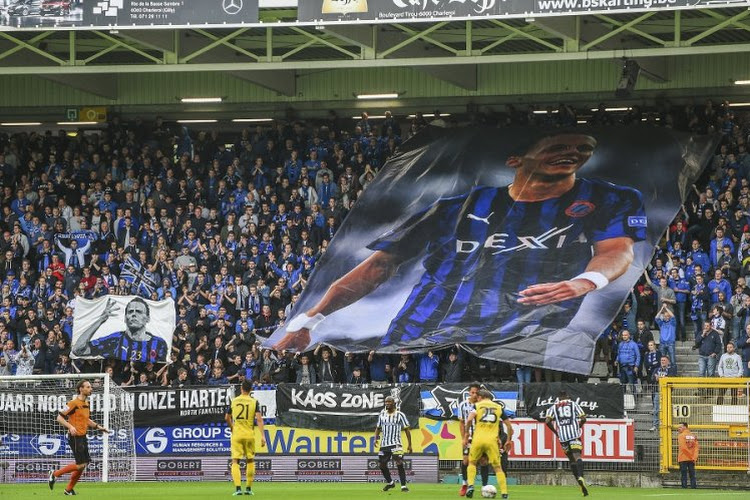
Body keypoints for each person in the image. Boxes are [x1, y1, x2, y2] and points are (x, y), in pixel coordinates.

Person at [275, 132, 647, 358]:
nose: (573, 152)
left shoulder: (610, 198)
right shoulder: (453, 208)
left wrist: (586, 281)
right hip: (422, 332)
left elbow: (616, 250)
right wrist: (310, 319)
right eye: (560, 145)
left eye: (584, 147)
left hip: (528, 337)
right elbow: (377, 267)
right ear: (516, 159)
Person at [48, 380, 110, 495]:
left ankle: (68, 489)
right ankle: (55, 474)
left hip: (83, 436)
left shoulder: (86, 404)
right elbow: (59, 418)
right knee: (80, 464)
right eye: (88, 387)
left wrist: (99, 427)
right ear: (81, 389)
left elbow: (86, 420)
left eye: (90, 387)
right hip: (75, 437)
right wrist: (70, 426)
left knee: (83, 465)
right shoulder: (73, 403)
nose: (91, 389)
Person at [72, 297, 168, 363]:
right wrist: (100, 320)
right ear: (125, 318)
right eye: (130, 312)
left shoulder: (159, 343)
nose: (133, 314)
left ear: (147, 318)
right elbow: (78, 350)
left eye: (138, 311)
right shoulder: (114, 340)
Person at [463, 389, 512, 499]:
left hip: (478, 439)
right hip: (492, 441)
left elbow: (469, 420)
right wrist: (508, 440)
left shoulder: (477, 406)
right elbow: (509, 426)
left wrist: (466, 434)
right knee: (498, 468)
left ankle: (470, 486)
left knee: (472, 463)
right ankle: (504, 493)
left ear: (480, 397)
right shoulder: (499, 407)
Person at [225, 379, 266, 496]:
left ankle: (238, 489)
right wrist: (263, 436)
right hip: (249, 434)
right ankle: (248, 488)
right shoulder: (254, 402)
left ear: (241, 388)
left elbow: (227, 417)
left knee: (235, 460)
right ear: (251, 390)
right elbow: (259, 419)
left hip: (237, 434)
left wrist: (232, 427)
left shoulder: (234, 401)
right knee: (250, 460)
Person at [545, 390, 589, 497]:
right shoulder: (573, 404)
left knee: (571, 459)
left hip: (563, 436)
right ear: (567, 396)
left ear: (559, 398)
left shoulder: (553, 407)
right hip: (574, 434)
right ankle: (581, 476)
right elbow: (583, 418)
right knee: (577, 456)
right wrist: (579, 426)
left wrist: (556, 432)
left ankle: (580, 485)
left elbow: (547, 421)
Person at [458, 383, 491, 497]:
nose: (474, 395)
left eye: (476, 393)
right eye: (472, 392)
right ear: (468, 393)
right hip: (469, 438)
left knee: (483, 461)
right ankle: (465, 484)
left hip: (482, 437)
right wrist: (463, 438)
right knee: (466, 461)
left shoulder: (483, 405)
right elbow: (461, 423)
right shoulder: (463, 405)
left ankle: (484, 487)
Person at [374, 395, 413, 492]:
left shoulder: (400, 415)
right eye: (386, 402)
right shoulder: (382, 414)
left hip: (396, 444)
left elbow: (407, 429)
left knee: (399, 462)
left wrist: (410, 444)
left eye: (389, 402)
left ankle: (403, 486)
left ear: (394, 403)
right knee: (382, 465)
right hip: (384, 444)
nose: (387, 403)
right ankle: (390, 483)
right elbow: (378, 428)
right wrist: (375, 439)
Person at [650, 355, 676, 431]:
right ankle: (655, 425)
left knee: (667, 409)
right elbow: (652, 378)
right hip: (658, 392)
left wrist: (660, 378)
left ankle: (666, 425)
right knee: (656, 409)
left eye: (664, 360)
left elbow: (672, 378)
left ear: (668, 362)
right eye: (661, 360)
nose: (662, 362)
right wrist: (657, 378)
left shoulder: (672, 369)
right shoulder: (656, 369)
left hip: (667, 392)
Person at [677, 422, 699, 489]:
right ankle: (693, 487)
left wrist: (689, 456)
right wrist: (694, 457)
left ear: (685, 427)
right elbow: (696, 447)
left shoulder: (681, 436)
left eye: (680, 427)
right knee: (692, 474)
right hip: (691, 458)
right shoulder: (693, 436)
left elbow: (683, 448)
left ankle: (684, 487)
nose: (678, 429)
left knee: (684, 474)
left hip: (683, 457)